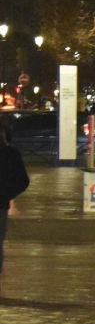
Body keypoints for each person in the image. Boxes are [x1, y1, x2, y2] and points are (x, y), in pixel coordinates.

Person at [0, 118, 30, 275]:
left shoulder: (10, 154)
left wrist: (6, 195)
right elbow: (23, 181)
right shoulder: (11, 153)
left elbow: (23, 181)